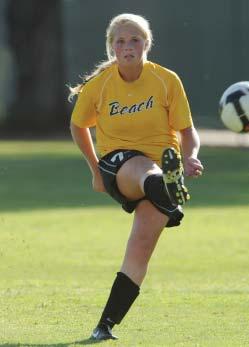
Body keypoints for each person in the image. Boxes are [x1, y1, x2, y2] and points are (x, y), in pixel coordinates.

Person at [69, 13, 204, 342]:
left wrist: (190, 156)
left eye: (135, 40)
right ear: (111, 48)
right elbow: (78, 125)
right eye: (120, 41)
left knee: (140, 247)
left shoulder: (166, 80)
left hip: (159, 166)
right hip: (118, 166)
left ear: (147, 44)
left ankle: (105, 325)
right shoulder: (99, 85)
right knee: (145, 169)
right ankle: (166, 189)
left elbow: (188, 131)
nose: (128, 46)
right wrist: (93, 171)